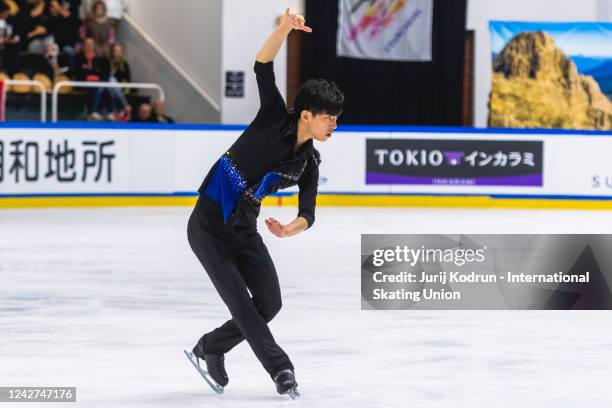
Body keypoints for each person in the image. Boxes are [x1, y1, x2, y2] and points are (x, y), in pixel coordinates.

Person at [185, 9, 343, 398]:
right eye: (329, 118)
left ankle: (210, 347)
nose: (333, 125)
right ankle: (281, 370)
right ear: (307, 114)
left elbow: (309, 211)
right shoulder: (274, 116)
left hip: (243, 230)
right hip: (208, 225)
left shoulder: (308, 163)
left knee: (269, 302)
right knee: (242, 304)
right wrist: (285, 29)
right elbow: (262, 65)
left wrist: (291, 228)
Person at [74, 36, 110, 119]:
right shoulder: (79, 57)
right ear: (84, 45)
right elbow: (78, 72)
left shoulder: (99, 58)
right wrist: (90, 74)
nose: (89, 46)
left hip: (97, 82)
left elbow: (102, 72)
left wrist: (92, 73)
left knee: (104, 88)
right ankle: (92, 111)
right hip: (83, 82)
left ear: (94, 46)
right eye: (87, 44)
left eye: (91, 44)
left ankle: (108, 112)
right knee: (98, 88)